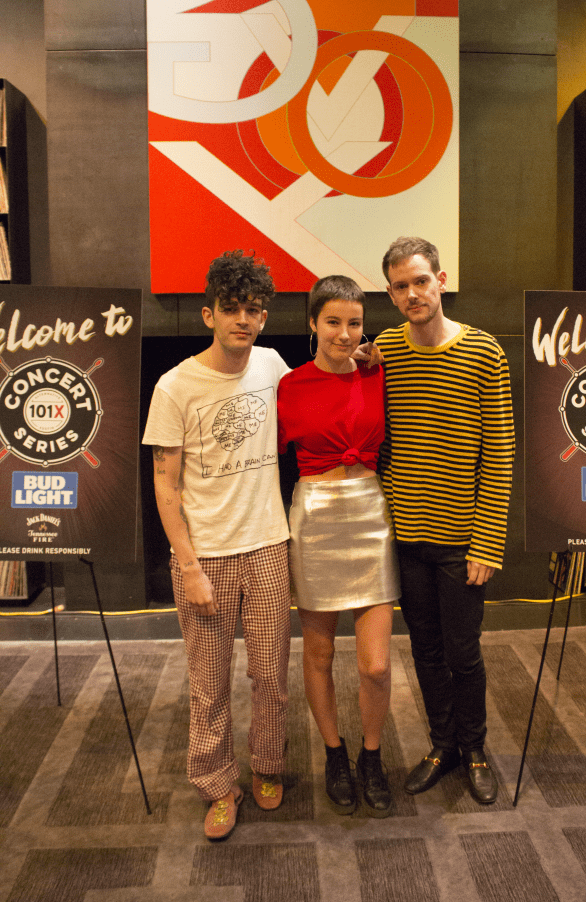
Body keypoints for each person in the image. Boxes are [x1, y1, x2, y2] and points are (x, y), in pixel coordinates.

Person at [142, 250, 291, 841]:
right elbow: (165, 484)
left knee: (271, 676)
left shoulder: (274, 365)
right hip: (205, 556)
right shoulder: (175, 385)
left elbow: (321, 389)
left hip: (269, 545)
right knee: (209, 684)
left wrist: (363, 357)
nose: (243, 320)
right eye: (231, 309)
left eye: (253, 310)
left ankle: (268, 765)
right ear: (209, 314)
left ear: (263, 317)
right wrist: (188, 566)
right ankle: (217, 785)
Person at [375, 236, 515, 803]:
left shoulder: (484, 352)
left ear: (441, 280)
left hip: (462, 543)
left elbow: (499, 454)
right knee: (425, 652)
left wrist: (488, 543)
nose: (412, 293)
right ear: (391, 294)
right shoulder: (385, 350)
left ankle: (475, 748)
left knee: (464, 653)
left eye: (420, 281)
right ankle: (443, 746)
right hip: (406, 539)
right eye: (401, 286)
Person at [277, 275, 400, 818]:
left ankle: (372, 756)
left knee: (376, 666)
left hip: (370, 514)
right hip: (315, 518)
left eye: (354, 323)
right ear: (312, 323)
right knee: (320, 654)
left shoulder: (379, 373)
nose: (345, 334)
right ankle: (334, 752)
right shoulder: (289, 385)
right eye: (333, 322)